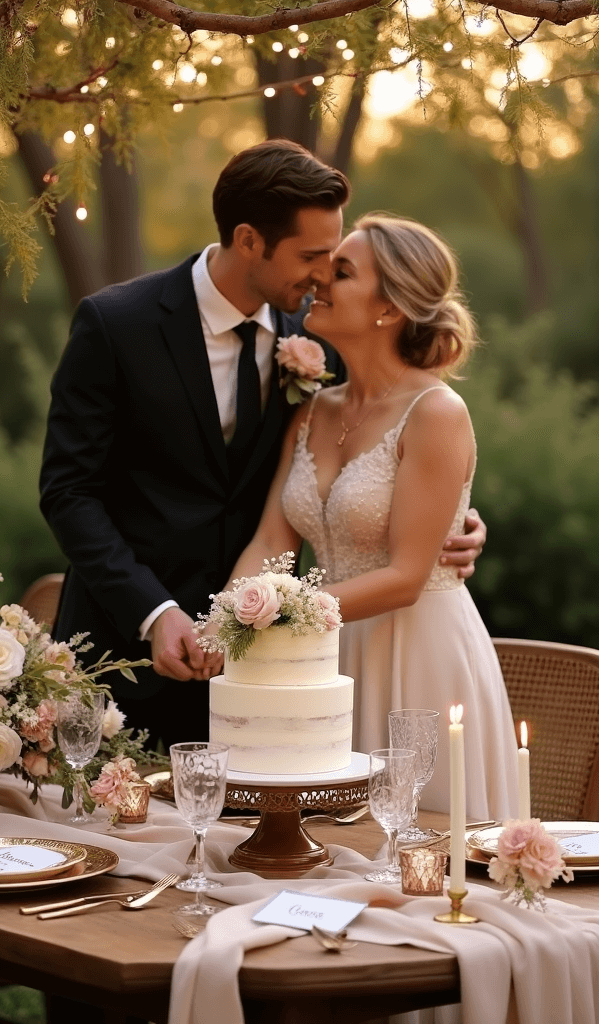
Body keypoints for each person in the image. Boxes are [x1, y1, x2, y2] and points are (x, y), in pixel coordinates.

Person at [40, 141, 488, 751]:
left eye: (335, 261)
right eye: (312, 256)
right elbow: (69, 492)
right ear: (249, 239)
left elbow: (397, 460)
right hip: (129, 650)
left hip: (281, 666)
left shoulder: (322, 336)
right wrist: (157, 612)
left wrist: (452, 526)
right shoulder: (117, 325)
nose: (324, 274)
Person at [229, 213, 516, 820]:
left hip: (419, 655)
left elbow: (409, 576)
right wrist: (228, 617)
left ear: (389, 307)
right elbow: (271, 543)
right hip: (326, 659)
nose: (319, 283)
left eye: (342, 272)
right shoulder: (311, 412)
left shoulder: (437, 412)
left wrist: (283, 618)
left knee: (426, 856)